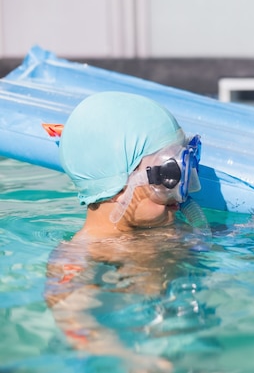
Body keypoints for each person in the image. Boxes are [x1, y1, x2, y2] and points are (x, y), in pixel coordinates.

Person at [44, 91, 207, 372]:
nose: (182, 191)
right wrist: (129, 359)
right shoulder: (80, 255)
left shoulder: (167, 229)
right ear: (119, 188)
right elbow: (75, 322)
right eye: (171, 174)